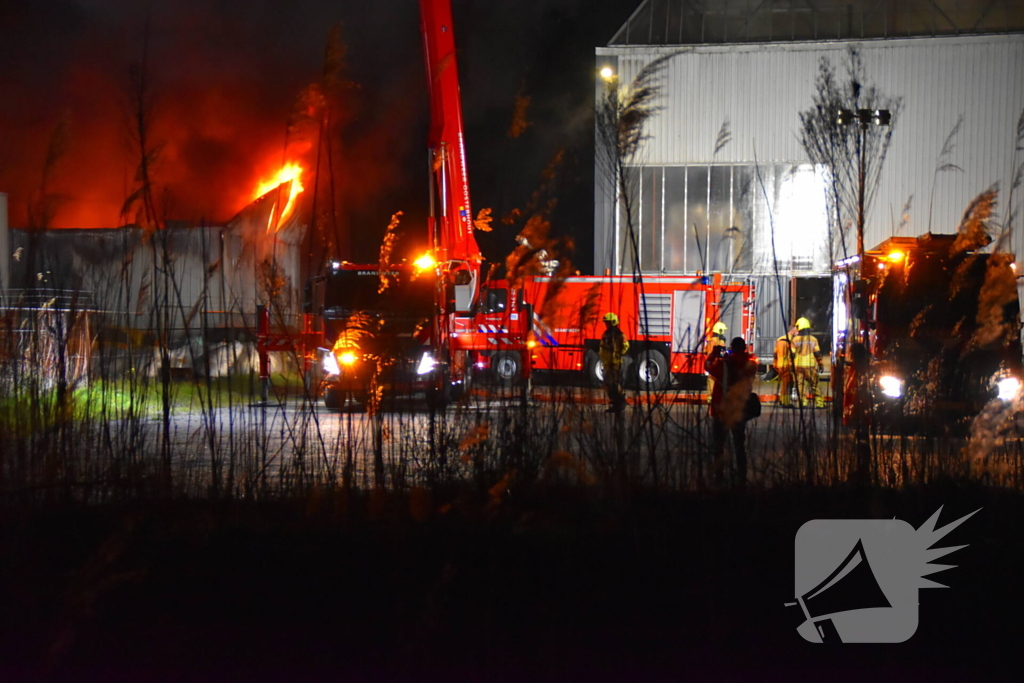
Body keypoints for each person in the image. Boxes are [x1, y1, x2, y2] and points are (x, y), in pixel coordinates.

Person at [705, 336, 758, 485]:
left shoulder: (725, 364)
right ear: (744, 348)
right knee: (739, 446)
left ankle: (719, 477)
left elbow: (708, 366)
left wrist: (715, 354)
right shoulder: (750, 364)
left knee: (719, 446)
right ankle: (741, 475)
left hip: (722, 410)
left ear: (732, 347)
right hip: (739, 409)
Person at [599, 312, 630, 413]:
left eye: (608, 322)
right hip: (608, 362)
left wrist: (617, 354)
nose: (606, 324)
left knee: (614, 383)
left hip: (614, 362)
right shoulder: (606, 334)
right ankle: (616, 403)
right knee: (610, 384)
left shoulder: (619, 335)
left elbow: (626, 345)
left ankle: (619, 402)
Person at [793, 317, 824, 408]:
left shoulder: (795, 340)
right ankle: (820, 403)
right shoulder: (813, 339)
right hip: (810, 366)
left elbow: (792, 354)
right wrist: (820, 363)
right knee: (815, 385)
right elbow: (817, 353)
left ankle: (802, 403)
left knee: (800, 385)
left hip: (798, 366)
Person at [773, 325, 798, 407]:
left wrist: (775, 363)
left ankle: (782, 399)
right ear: (792, 331)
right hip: (786, 365)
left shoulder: (779, 339)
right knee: (787, 384)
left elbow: (775, 353)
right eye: (796, 331)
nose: (798, 332)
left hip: (779, 364)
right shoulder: (791, 341)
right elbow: (792, 354)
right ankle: (785, 402)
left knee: (784, 383)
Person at [706, 321, 728, 402]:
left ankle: (710, 397)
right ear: (720, 331)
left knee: (710, 382)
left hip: (711, 365)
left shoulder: (710, 342)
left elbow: (708, 353)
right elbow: (723, 355)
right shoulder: (720, 343)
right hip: (718, 366)